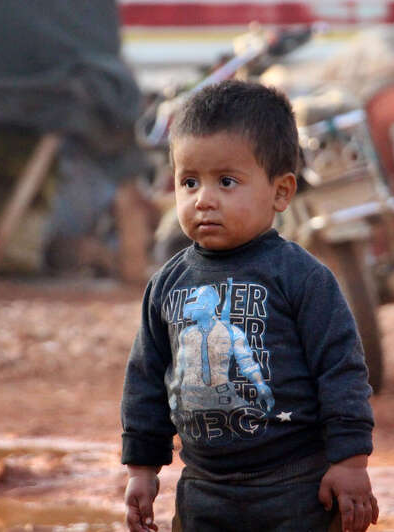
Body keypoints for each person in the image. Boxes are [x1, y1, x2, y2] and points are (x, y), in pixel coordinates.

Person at [121, 80, 378, 532]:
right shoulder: (167, 284)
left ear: (280, 193)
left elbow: (341, 368)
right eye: (189, 181)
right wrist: (142, 469)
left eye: (226, 181)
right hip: (203, 488)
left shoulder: (302, 277)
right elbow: (145, 379)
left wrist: (351, 463)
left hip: (296, 487)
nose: (203, 199)